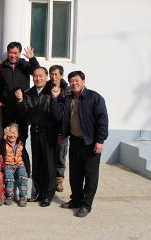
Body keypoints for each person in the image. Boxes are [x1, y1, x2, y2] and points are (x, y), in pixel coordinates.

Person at [51, 71, 108, 218]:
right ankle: (75, 200)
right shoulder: (67, 98)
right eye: (71, 81)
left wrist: (100, 141)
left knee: (90, 174)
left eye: (77, 80)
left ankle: (86, 204)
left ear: (83, 81)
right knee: (75, 173)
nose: (74, 83)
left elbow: (102, 121)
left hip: (91, 142)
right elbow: (58, 116)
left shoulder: (94, 97)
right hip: (75, 140)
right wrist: (56, 99)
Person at [0, 41, 39, 177]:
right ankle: (6, 164)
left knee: (22, 136)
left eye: (15, 53)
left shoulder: (25, 65)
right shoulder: (2, 67)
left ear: (19, 53)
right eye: (11, 52)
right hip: (7, 106)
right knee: (7, 134)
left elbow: (37, 71)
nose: (13, 55)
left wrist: (32, 58)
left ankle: (24, 166)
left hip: (22, 106)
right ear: (8, 53)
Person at [16, 67, 59, 207]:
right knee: (38, 163)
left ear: (46, 77)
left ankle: (48, 194)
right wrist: (21, 100)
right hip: (35, 131)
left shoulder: (52, 91)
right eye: (35, 76)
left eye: (41, 76)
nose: (38, 78)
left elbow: (58, 114)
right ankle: (39, 191)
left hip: (49, 132)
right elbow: (24, 111)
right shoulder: (29, 93)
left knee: (49, 164)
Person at [49, 65, 71, 192]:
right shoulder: (47, 88)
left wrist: (62, 131)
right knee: (48, 154)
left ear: (61, 75)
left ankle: (59, 180)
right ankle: (49, 178)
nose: (53, 77)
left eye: (56, 74)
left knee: (60, 154)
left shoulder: (67, 91)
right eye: (51, 74)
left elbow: (67, 112)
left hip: (61, 128)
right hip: (48, 127)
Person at [0, 124, 28, 207]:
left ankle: (23, 197)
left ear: (18, 134)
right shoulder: (4, 143)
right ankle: (9, 196)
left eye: (14, 133)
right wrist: (4, 136)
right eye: (10, 133)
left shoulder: (21, 144)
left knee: (23, 175)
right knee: (8, 177)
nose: (12, 135)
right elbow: (1, 150)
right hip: (8, 165)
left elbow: (25, 158)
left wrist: (28, 170)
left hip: (19, 164)